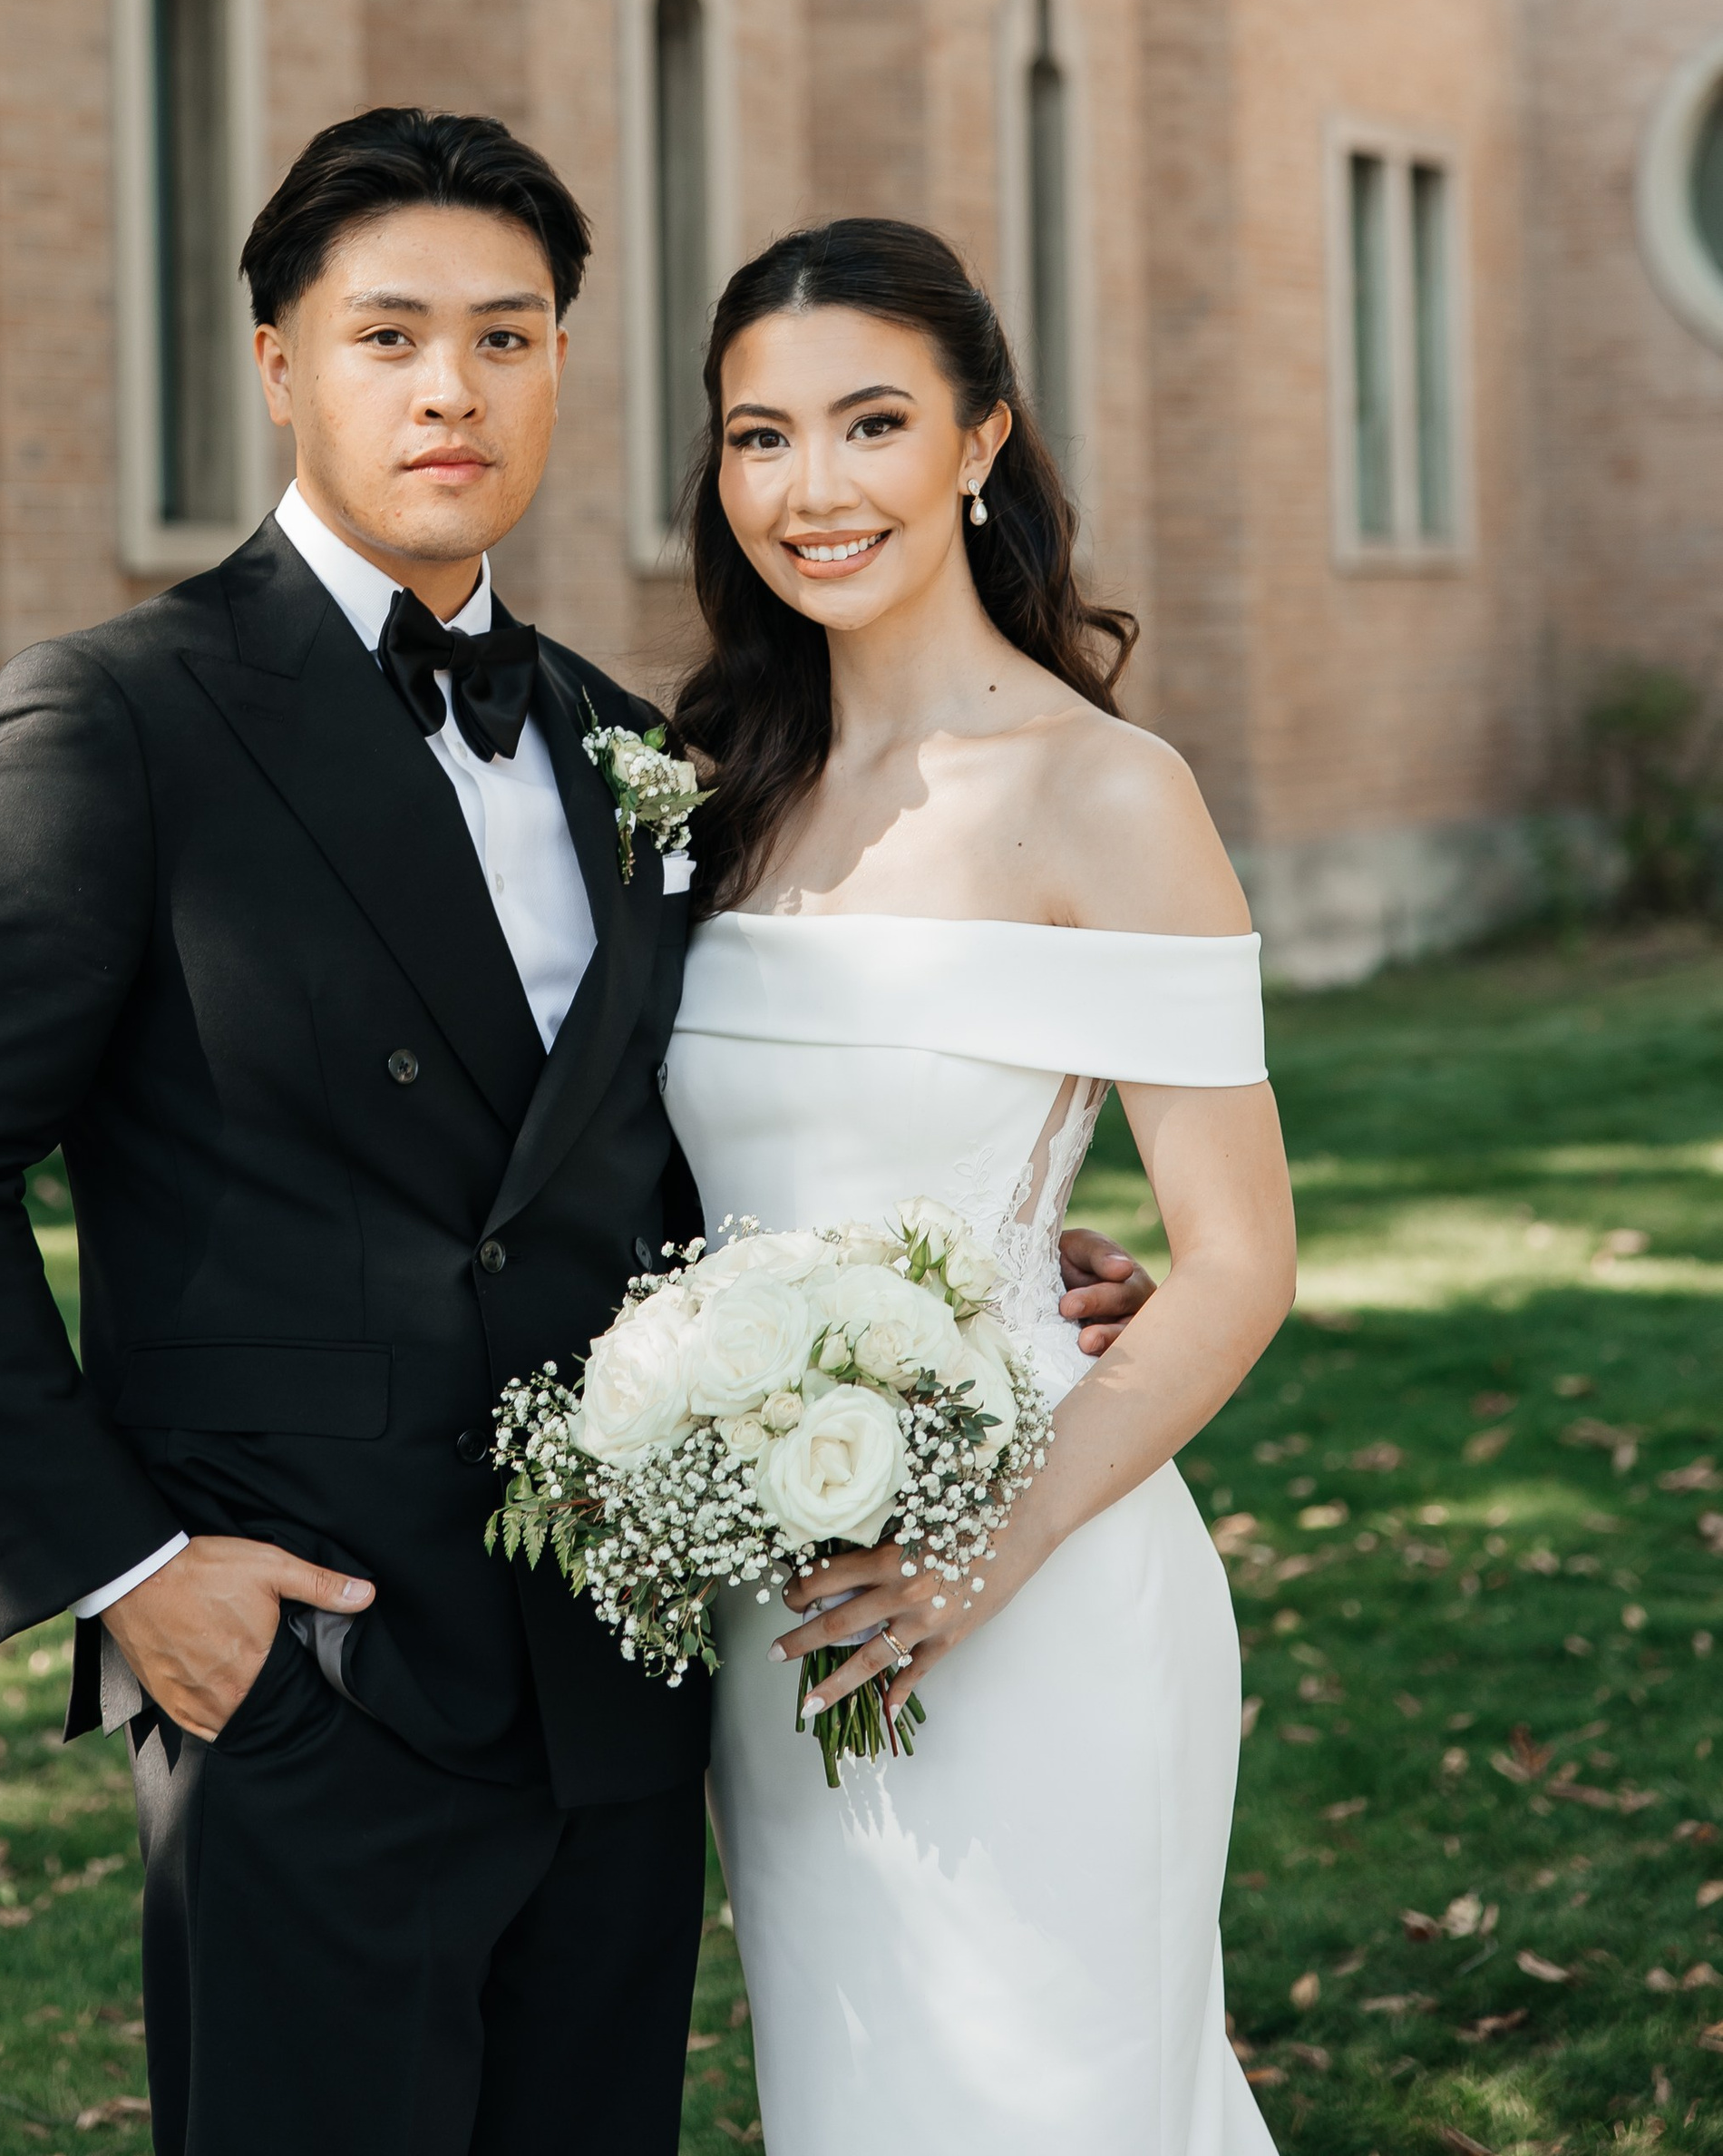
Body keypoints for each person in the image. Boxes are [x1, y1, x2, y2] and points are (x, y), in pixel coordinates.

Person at [0, 112, 1153, 2155]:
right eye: (390, 336)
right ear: (280, 364)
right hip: (303, 1672)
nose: (451, 387)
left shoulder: (633, 747)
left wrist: (950, 1271)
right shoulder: (119, 719)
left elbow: (639, 1159)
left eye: (505, 337)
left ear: (557, 368)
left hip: (617, 1670)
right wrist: (128, 1569)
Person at [663, 216, 1297, 2156]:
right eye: (760, 436)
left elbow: (1238, 1260)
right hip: (781, 1608)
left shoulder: (1105, 791)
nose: (813, 488)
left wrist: (978, 1553)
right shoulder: (711, 784)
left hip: (1033, 1585)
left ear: (978, 442)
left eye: (870, 423)